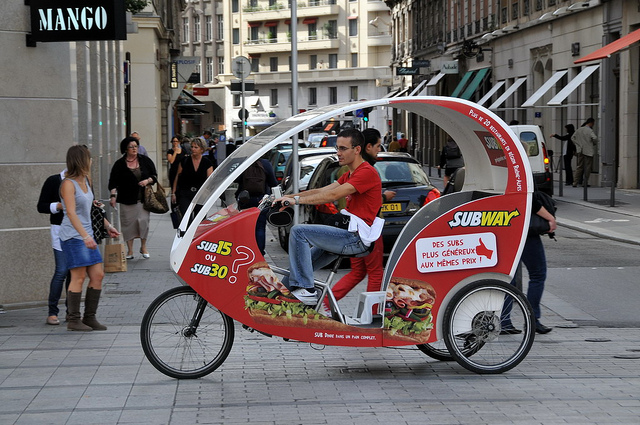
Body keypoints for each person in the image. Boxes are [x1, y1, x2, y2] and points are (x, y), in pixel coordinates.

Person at [276, 129, 383, 305]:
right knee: (297, 269)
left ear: (357, 150)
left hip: (356, 238)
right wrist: (289, 197)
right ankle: (278, 304)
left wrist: (295, 201)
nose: (338, 153)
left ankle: (307, 290)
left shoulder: (367, 172)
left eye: (343, 148)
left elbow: (333, 196)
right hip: (347, 234)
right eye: (337, 148)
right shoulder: (350, 173)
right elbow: (322, 190)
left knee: (298, 232)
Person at [328, 128, 395, 307]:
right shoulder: (363, 170)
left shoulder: (350, 170)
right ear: (366, 147)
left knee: (357, 272)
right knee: (375, 272)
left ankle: (326, 301)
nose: (379, 150)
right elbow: (335, 194)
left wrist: (295, 198)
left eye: (342, 149)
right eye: (378, 146)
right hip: (367, 229)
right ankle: (371, 313)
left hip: (353, 227)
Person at [59, 145, 120, 331]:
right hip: (73, 236)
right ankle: (73, 319)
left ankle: (89, 317)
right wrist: (85, 236)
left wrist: (108, 226)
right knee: (78, 277)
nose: (92, 160)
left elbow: (92, 209)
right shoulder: (68, 184)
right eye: (89, 157)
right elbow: (70, 213)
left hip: (87, 235)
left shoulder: (86, 180)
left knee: (98, 275)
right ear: (81, 160)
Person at [503, 190, 556, 335]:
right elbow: (529, 200)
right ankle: (532, 319)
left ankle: (504, 320)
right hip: (524, 229)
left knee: (509, 277)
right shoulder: (520, 169)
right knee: (538, 273)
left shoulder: (500, 169)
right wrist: (550, 218)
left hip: (503, 225)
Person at [108, 137, 158, 260]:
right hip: (126, 199)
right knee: (128, 224)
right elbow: (113, 182)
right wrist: (113, 196)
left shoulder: (145, 160)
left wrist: (147, 181)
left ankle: (143, 247)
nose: (135, 148)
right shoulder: (119, 164)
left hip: (143, 198)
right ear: (126, 149)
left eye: (136, 146)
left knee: (143, 222)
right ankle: (130, 250)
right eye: (132, 147)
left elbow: (154, 176)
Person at [37, 170, 71, 325]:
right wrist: (58, 205)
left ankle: (72, 312)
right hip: (59, 230)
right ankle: (52, 312)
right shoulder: (53, 180)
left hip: (79, 232)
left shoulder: (84, 180)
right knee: (62, 270)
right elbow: (41, 206)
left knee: (75, 272)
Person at [235, 154, 278, 255]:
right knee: (260, 227)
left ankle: (246, 251)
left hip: (245, 199)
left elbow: (236, 180)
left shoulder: (244, 164)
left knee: (246, 227)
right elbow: (273, 183)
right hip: (261, 200)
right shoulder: (265, 164)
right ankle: (259, 253)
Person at [171, 137, 214, 217]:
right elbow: (177, 177)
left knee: (199, 220)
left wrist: (209, 195)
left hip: (200, 195)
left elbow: (210, 181)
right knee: (185, 218)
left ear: (202, 149)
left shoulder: (207, 163)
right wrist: (173, 193)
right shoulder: (185, 161)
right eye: (192, 147)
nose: (193, 149)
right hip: (185, 193)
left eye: (196, 147)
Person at [571, 118, 598, 187]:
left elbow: (572, 138)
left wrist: (578, 145)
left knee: (579, 167)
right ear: (591, 123)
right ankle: (585, 182)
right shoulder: (589, 131)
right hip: (588, 151)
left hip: (580, 150)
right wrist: (593, 143)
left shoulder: (579, 130)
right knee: (587, 167)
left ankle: (575, 182)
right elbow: (595, 138)